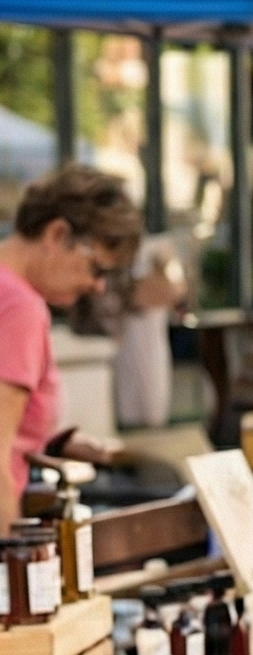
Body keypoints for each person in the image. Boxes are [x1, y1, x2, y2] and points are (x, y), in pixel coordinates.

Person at [0, 165, 140, 533]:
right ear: (57, 234)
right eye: (97, 269)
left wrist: (50, 441)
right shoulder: (19, 308)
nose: (97, 287)